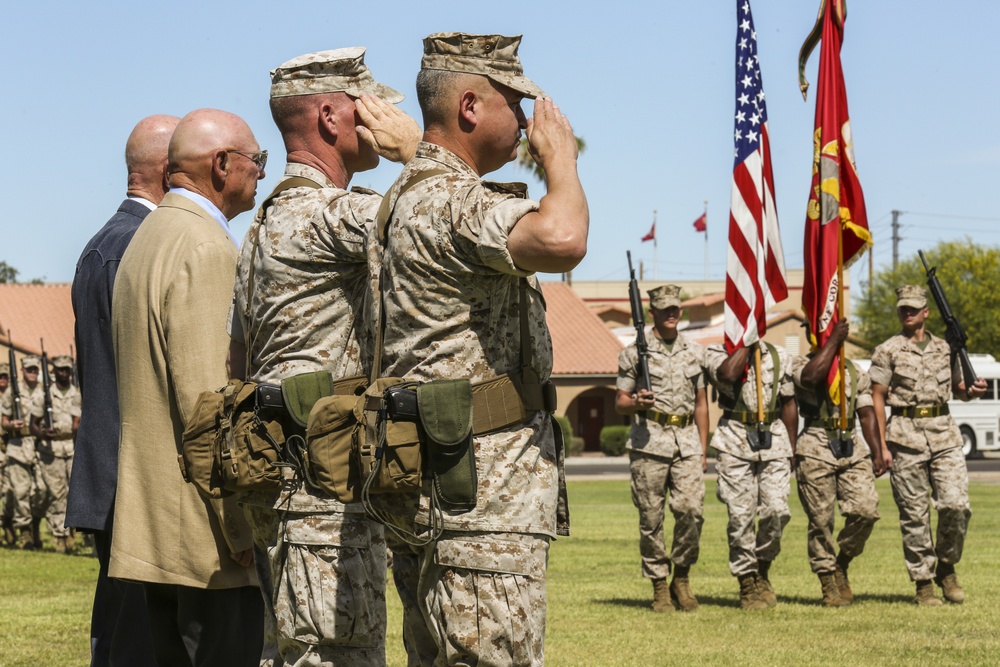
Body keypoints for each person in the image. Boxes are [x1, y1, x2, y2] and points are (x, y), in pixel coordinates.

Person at [379, 32, 588, 666]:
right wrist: (562, 161)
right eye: (515, 105)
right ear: (470, 106)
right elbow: (563, 238)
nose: (527, 122)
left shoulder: (409, 196)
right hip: (480, 505)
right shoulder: (453, 200)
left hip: (442, 486)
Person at [229, 48, 420, 666]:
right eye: (369, 106)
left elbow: (239, 355)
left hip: (295, 483)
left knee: (295, 650)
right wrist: (419, 154)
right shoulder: (327, 214)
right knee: (336, 653)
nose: (383, 118)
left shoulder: (263, 224)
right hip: (323, 494)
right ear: (332, 117)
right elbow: (436, 222)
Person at [111, 108, 265, 666]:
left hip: (152, 529)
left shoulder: (147, 238)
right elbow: (209, 407)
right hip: (203, 540)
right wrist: (239, 526)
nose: (262, 175)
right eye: (257, 160)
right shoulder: (206, 248)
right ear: (222, 165)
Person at [69, 113, 175, 667]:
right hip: (132, 477)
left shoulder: (108, 242)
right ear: (166, 169)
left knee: (120, 633)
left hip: (115, 472)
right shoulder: (138, 245)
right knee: (136, 641)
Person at [870, 284, 985, 606]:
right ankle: (924, 584)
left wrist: (971, 391)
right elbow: (877, 397)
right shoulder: (887, 349)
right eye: (902, 308)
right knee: (914, 515)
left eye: (913, 308)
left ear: (926, 312)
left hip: (944, 435)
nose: (907, 313)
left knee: (956, 506)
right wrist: (881, 446)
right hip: (904, 437)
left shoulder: (946, 348)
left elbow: (959, 389)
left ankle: (946, 566)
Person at [615, 284, 707, 613]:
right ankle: (659, 585)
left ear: (680, 312)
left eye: (676, 309)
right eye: (664, 309)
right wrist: (636, 401)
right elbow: (620, 401)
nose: (671, 314)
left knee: (692, 511)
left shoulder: (695, 352)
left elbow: (701, 404)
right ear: (651, 312)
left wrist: (704, 449)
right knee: (651, 518)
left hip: (686, 442)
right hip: (649, 442)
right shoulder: (633, 353)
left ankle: (681, 577)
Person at [792, 319, 885, 607]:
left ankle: (841, 562)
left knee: (866, 511)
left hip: (850, 445)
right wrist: (832, 341)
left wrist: (878, 449)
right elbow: (810, 379)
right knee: (821, 522)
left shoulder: (855, 371)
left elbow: (867, 413)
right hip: (816, 444)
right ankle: (827, 583)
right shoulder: (800, 363)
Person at [705, 339, 797, 610]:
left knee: (777, 511)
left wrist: (792, 448)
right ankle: (746, 580)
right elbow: (727, 375)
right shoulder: (717, 352)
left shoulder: (779, 354)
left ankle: (762, 568)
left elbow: (789, 402)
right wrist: (745, 343)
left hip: (775, 440)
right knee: (741, 516)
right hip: (734, 439)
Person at [29, 354, 80, 553]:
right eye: (60, 369)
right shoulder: (44, 395)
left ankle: (71, 532)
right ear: (54, 371)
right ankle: (60, 536)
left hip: (71, 446)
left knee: (71, 492)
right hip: (50, 450)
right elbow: (33, 424)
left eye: (67, 369)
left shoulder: (76, 393)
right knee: (57, 493)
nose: (64, 373)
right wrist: (42, 433)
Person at [1, 354, 46, 549]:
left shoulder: (45, 392)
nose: (33, 373)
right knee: (20, 492)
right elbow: (3, 421)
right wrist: (12, 424)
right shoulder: (12, 392)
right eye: (29, 369)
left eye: (35, 369)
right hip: (17, 446)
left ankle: (35, 523)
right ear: (22, 371)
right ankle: (25, 534)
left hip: (40, 447)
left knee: (42, 491)